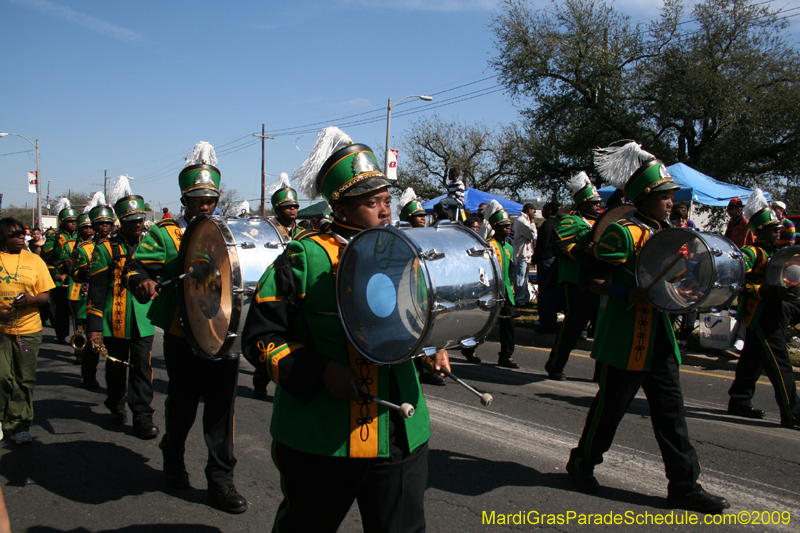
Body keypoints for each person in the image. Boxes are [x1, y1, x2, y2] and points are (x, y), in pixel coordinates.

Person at [243, 127, 450, 532]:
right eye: (372, 202)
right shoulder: (303, 258)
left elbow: (415, 319)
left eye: (387, 200)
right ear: (339, 207)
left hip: (398, 432)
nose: (385, 210)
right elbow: (261, 338)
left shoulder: (404, 253)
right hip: (322, 435)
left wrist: (430, 346)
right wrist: (320, 370)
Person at [566, 141, 729, 515]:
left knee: (672, 416)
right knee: (609, 412)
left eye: (672, 196)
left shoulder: (670, 231)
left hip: (659, 339)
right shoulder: (622, 233)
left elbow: (678, 276)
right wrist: (627, 291)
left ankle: (685, 487)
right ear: (644, 197)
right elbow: (590, 278)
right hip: (624, 340)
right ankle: (581, 464)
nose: (672, 202)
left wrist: (687, 288)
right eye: (665, 196)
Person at [125, 141, 247, 513]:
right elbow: (135, 267)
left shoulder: (232, 232)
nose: (205, 205)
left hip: (222, 334)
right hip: (182, 335)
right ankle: (173, 456)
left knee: (222, 412)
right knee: (182, 406)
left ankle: (220, 482)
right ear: (185, 200)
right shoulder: (165, 234)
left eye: (210, 198)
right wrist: (141, 281)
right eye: (197, 200)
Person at [726, 189, 800, 428]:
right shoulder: (751, 253)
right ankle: (793, 412)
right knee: (780, 364)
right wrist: (766, 291)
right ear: (759, 231)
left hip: (775, 311)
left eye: (778, 227)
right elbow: (737, 282)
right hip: (759, 314)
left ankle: (739, 400)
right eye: (772, 228)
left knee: (753, 359)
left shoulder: (776, 252)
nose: (778, 230)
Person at [87, 193, 158, 439]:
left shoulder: (152, 244)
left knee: (141, 368)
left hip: (143, 318)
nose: (137, 224)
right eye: (131, 220)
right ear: (121, 221)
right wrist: (94, 326)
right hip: (113, 318)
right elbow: (96, 289)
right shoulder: (105, 248)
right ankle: (116, 403)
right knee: (116, 367)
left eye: (140, 219)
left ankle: (142, 416)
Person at [0, 217, 54, 444]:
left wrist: (31, 299)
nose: (22, 236)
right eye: (15, 233)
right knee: (3, 377)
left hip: (27, 331)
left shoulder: (34, 260)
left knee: (24, 379)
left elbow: (45, 295)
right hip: (1, 333)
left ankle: (19, 423)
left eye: (23, 233)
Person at [544, 172, 601, 381]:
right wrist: (582, 250)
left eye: (598, 202)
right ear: (583, 203)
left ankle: (601, 371)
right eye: (593, 202)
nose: (597, 205)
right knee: (574, 325)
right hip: (575, 280)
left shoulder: (600, 223)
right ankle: (555, 364)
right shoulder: (572, 220)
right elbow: (558, 246)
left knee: (601, 327)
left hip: (598, 280)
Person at [462, 200, 519, 369]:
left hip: (507, 293)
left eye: (509, 226)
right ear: (496, 228)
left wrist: (513, 288)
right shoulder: (489, 246)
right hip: (492, 293)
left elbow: (511, 270)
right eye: (504, 226)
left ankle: (506, 356)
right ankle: (469, 349)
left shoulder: (509, 247)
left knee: (509, 325)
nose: (508, 229)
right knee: (484, 325)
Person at [71, 201, 114, 385]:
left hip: (112, 297)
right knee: (92, 343)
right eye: (99, 224)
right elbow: (75, 273)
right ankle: (89, 375)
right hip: (89, 296)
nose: (103, 226)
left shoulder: (118, 246)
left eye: (107, 223)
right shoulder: (83, 248)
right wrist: (85, 271)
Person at [42, 199, 79, 344]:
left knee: (77, 312)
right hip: (60, 281)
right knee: (61, 310)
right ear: (63, 222)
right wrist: (55, 274)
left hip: (77, 281)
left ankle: (79, 339)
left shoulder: (81, 236)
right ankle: (61, 334)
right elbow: (46, 261)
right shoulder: (54, 238)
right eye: (69, 221)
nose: (73, 224)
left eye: (75, 221)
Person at [60, 213, 95, 367]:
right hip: (76, 288)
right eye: (85, 227)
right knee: (79, 322)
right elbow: (60, 265)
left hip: (93, 289)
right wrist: (67, 264)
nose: (89, 230)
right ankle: (80, 350)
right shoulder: (69, 245)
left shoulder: (98, 245)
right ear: (80, 229)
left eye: (90, 227)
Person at [535, 202, 562, 334]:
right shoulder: (558, 223)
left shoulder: (548, 224)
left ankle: (546, 322)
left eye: (545, 209)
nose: (543, 211)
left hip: (546, 260)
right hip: (553, 260)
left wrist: (535, 258)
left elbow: (542, 245)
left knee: (545, 292)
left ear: (550, 211)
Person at [511, 203, 536, 307]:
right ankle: (519, 300)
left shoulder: (524, 221)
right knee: (520, 278)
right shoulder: (521, 221)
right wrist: (533, 223)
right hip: (521, 254)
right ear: (529, 210)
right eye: (534, 211)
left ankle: (524, 299)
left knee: (524, 278)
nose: (534, 214)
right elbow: (533, 234)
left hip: (525, 254)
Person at [270, 172, 301, 242]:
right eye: (287, 206)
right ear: (277, 210)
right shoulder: (270, 232)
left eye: (295, 206)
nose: (292, 208)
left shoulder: (302, 232)